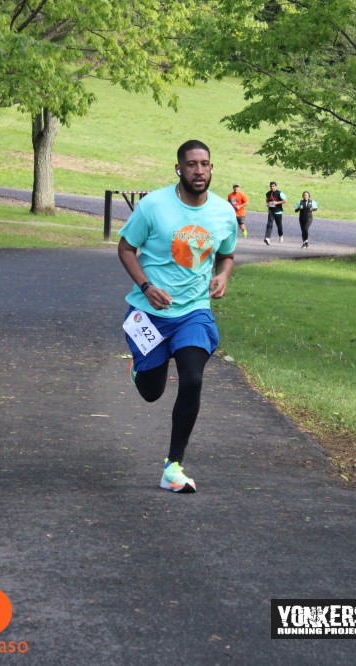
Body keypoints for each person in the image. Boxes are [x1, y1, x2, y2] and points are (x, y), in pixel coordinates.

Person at [117, 139, 237, 493]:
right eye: (192, 164)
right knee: (152, 392)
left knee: (193, 379)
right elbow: (126, 248)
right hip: (149, 312)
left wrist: (223, 276)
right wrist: (146, 286)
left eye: (205, 164)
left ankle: (173, 466)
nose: (199, 171)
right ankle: (139, 368)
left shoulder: (223, 212)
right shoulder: (153, 205)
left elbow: (227, 255)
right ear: (179, 169)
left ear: (212, 168)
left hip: (194, 312)